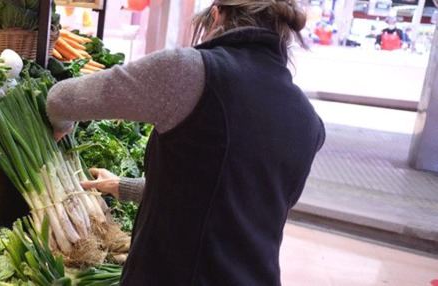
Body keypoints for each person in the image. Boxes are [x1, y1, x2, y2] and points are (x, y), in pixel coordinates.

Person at [46, 0, 326, 285]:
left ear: (216, 17)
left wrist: (63, 125)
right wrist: (123, 186)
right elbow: (229, 199)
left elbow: (60, 100)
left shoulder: (191, 70)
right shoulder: (309, 121)